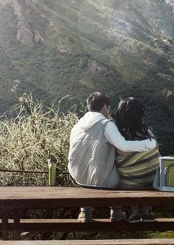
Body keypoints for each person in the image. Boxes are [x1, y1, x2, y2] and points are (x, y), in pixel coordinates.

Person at [67, 92, 156, 224]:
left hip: (77, 175)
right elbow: (124, 146)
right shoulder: (106, 124)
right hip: (101, 179)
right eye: (108, 108)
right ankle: (116, 210)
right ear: (104, 107)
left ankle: (85, 211)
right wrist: (149, 144)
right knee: (121, 173)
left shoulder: (77, 125)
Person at [111, 97, 162, 221]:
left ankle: (135, 212)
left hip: (129, 182)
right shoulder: (146, 131)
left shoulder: (118, 133)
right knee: (151, 160)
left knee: (126, 174)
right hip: (152, 180)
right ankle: (147, 211)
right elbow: (155, 148)